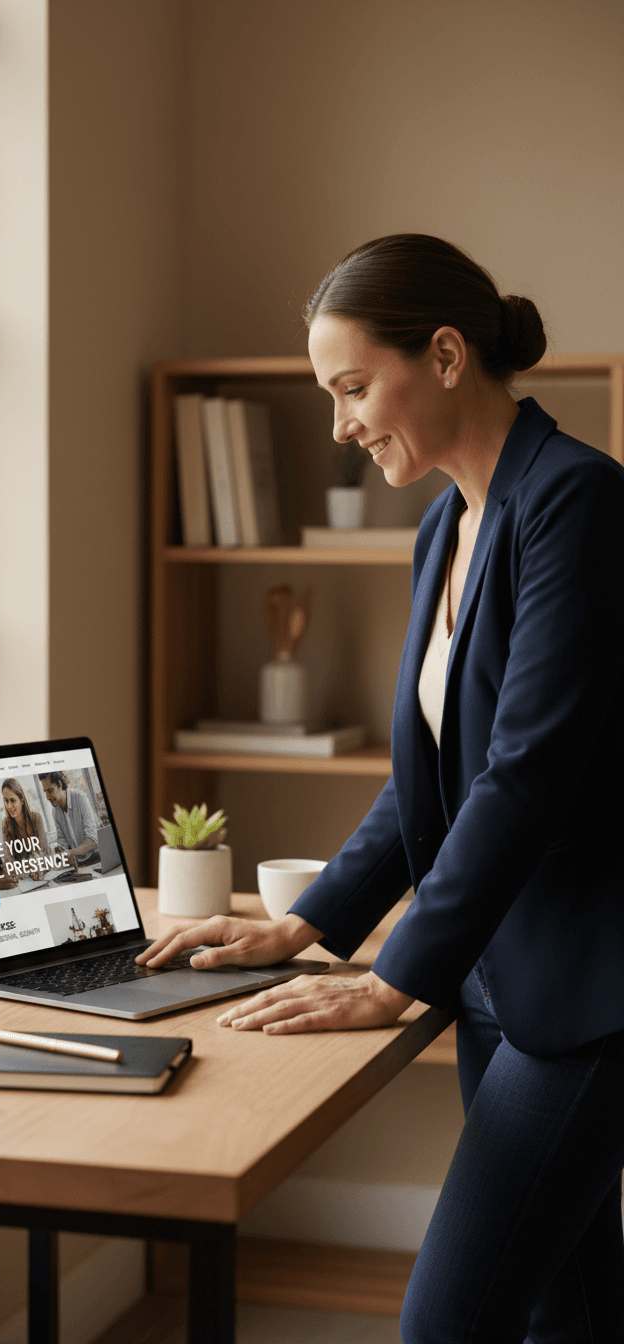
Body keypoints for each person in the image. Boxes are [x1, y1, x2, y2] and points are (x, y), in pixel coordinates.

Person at [137, 234, 624, 1342]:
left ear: (447, 355)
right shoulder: (445, 525)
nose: (342, 424)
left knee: (445, 1325)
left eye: (354, 387)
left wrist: (393, 980)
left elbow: (524, 777)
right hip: (498, 981)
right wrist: (305, 926)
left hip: (589, 994)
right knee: (574, 1312)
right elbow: (427, 782)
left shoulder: (579, 504)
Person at [39, 771, 98, 867]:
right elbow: (63, 844)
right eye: (45, 792)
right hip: (78, 864)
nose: (47, 797)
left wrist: (67, 853)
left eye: (50, 791)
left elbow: (93, 841)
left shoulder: (80, 798)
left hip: (95, 859)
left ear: (60, 784)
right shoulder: (56, 812)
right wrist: (57, 851)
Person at [1, 778, 52, 882]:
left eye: (13, 800)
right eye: (6, 801)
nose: (9, 806)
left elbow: (45, 854)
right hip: (23, 881)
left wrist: (36, 865)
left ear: (22, 800)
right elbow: (8, 861)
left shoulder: (36, 819)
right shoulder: (6, 824)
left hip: (43, 876)